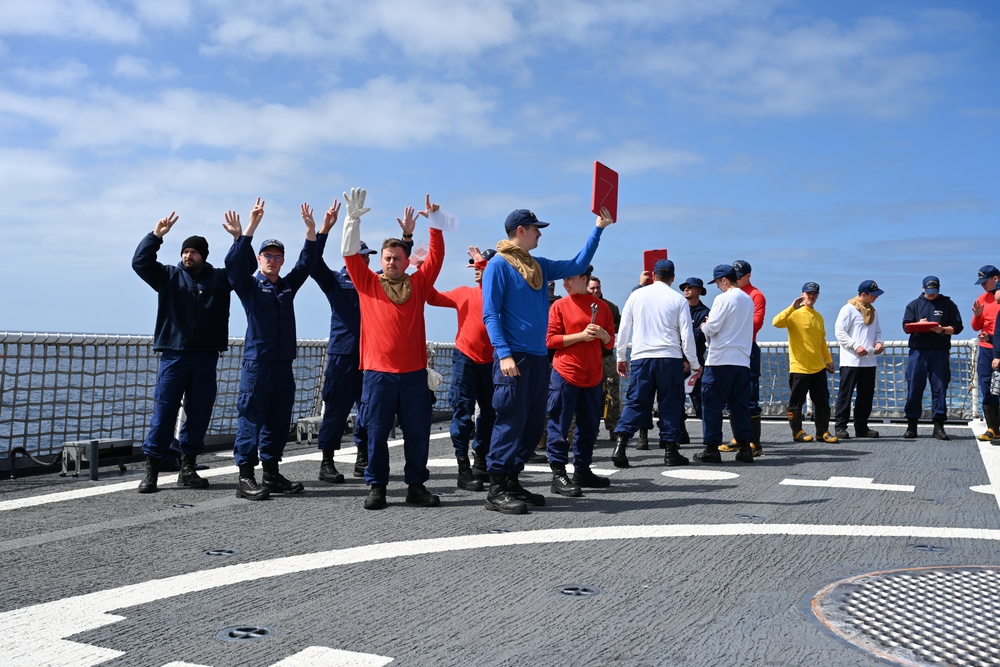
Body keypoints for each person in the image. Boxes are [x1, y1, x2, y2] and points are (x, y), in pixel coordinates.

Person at [482, 206, 614, 515]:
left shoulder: (539, 266)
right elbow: (491, 314)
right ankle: (496, 488)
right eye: (535, 228)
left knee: (530, 425)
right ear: (521, 230)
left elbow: (578, 263)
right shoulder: (497, 266)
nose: (540, 232)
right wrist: (503, 354)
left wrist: (599, 228)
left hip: (540, 359)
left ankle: (512, 480)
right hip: (514, 358)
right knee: (510, 421)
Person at [341, 189, 445, 510]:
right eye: (387, 258)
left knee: (417, 435)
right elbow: (348, 254)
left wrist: (436, 223)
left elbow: (437, 258)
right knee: (376, 434)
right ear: (381, 261)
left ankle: (416, 486)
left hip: (413, 375)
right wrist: (351, 220)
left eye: (398, 258)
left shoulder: (418, 285)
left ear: (406, 261)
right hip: (377, 375)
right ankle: (377, 487)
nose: (392, 262)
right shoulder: (367, 283)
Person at [131, 212, 233, 493]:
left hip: (206, 356)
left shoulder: (220, 279)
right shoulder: (167, 276)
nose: (188, 255)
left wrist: (239, 238)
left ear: (203, 255)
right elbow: (140, 263)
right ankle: (151, 471)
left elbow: (243, 267)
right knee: (163, 413)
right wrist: (156, 237)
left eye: (193, 252)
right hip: (173, 356)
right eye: (185, 251)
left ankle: (188, 468)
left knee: (199, 414)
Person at [224, 197, 317, 500]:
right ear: (260, 259)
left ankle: (272, 473)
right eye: (267, 256)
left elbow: (307, 264)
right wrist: (247, 230)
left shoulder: (286, 287)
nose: (273, 260)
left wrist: (313, 231)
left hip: (283, 364)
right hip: (258, 364)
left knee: (278, 420)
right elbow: (234, 266)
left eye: (278, 256)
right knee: (251, 417)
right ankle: (245, 476)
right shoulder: (250, 286)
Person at [307, 199, 375, 484]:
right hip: (343, 355)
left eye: (369, 257)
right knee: (335, 410)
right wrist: (323, 230)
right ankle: (327, 462)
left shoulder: (377, 282)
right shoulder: (336, 281)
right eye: (363, 256)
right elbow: (312, 263)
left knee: (370, 410)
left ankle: (363, 459)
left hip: (371, 356)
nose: (368, 261)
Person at [612, 259, 699, 468]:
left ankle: (620, 445)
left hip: (642, 357)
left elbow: (624, 328)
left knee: (636, 402)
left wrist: (621, 357)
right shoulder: (678, 300)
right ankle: (670, 452)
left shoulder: (636, 295)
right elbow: (686, 336)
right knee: (670, 404)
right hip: (670, 358)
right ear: (673, 277)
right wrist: (695, 363)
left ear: (653, 274)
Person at [426, 246, 498, 492]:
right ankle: (463, 467)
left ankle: (481, 461)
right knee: (463, 413)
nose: (476, 270)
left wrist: (484, 265)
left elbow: (499, 282)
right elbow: (431, 297)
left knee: (490, 412)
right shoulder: (462, 293)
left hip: (492, 360)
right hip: (465, 359)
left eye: (481, 266)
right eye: (475, 266)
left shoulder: (500, 294)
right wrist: (420, 268)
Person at [545, 265, 615, 496]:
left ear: (584, 279)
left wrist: (603, 335)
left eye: (569, 278)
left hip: (593, 376)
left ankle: (582, 470)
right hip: (566, 374)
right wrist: (581, 336)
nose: (565, 283)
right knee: (559, 426)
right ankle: (558, 474)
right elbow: (551, 340)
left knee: (589, 427)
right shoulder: (559, 305)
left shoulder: (603, 307)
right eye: (563, 278)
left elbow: (610, 342)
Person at [695, 264, 754, 463]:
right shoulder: (748, 299)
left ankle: (711, 449)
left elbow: (712, 328)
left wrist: (704, 324)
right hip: (742, 361)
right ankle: (745, 447)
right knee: (740, 406)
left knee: (712, 406)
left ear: (724, 280)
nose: (718, 287)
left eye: (718, 283)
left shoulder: (723, 298)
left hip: (720, 360)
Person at [772, 282, 837, 444]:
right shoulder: (794, 314)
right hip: (800, 367)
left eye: (815, 294)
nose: (812, 296)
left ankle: (823, 432)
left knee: (822, 401)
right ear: (802, 294)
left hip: (818, 367)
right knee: (796, 402)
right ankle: (797, 432)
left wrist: (828, 360)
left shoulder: (819, 317)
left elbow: (821, 341)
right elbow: (776, 322)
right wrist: (791, 307)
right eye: (809, 293)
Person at [902, 276, 963, 440]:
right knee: (914, 387)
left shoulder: (948, 304)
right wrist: (919, 325)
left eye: (934, 292)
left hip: (939, 351)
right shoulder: (913, 305)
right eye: (929, 292)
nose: (931, 295)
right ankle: (911, 426)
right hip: (918, 352)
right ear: (922, 288)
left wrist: (942, 329)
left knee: (939, 387)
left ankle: (938, 426)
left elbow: (957, 328)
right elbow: (906, 327)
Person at [723, 260, 766, 457]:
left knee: (749, 396)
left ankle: (754, 443)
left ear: (749, 275)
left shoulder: (756, 295)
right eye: (735, 277)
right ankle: (738, 439)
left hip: (747, 348)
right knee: (732, 396)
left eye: (739, 277)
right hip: (732, 348)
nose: (736, 280)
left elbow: (756, 324)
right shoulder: (730, 294)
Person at [833, 280, 886, 440]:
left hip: (869, 360)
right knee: (846, 394)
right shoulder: (848, 309)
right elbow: (840, 332)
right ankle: (840, 426)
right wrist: (855, 346)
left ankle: (861, 426)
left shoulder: (874, 312)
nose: (876, 298)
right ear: (864, 294)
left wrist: (879, 343)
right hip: (851, 360)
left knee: (866, 395)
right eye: (873, 295)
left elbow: (877, 332)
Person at [587, 275, 622, 436]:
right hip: (587, 357)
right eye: (592, 288)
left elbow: (619, 328)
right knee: (588, 395)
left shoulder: (611, 307)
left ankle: (614, 428)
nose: (596, 291)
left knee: (612, 393)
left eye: (598, 288)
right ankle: (588, 429)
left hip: (606, 356)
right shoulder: (579, 305)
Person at [678, 276, 710, 444]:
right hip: (677, 360)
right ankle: (681, 433)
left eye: (690, 287)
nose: (686, 289)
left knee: (700, 400)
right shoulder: (679, 308)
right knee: (676, 400)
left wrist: (691, 359)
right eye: (685, 287)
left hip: (696, 362)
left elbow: (698, 336)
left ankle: (709, 437)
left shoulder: (705, 313)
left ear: (699, 291)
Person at [971, 265, 1000, 441]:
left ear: (995, 278)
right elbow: (975, 326)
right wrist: (977, 315)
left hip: (998, 347)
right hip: (986, 349)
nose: (982, 285)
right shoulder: (982, 299)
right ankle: (992, 428)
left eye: (985, 281)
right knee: (986, 385)